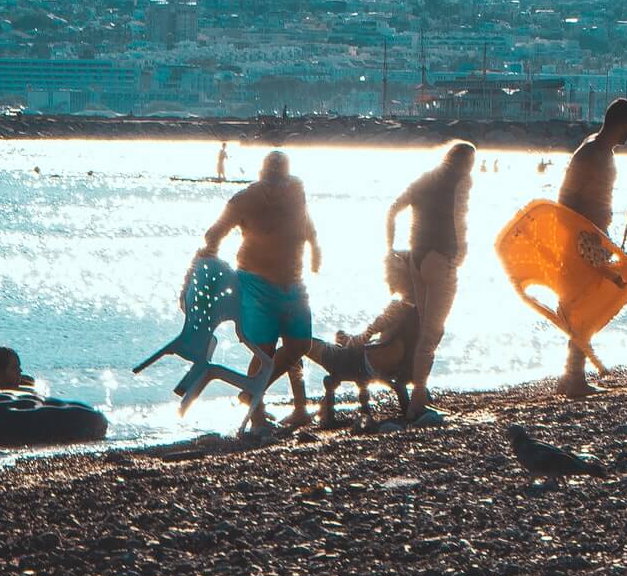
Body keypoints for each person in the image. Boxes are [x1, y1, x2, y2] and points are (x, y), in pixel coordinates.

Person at [198, 149, 322, 433]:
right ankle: (257, 412)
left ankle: (253, 393)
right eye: (270, 182)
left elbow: (307, 224)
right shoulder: (245, 199)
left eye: (280, 181)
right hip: (255, 283)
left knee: (299, 345)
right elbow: (214, 233)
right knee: (265, 350)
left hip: (293, 282)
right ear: (262, 177)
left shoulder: (296, 191)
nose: (275, 188)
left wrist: (315, 248)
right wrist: (209, 258)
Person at [555, 97, 627, 398]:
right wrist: (582, 234)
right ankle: (573, 377)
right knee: (584, 306)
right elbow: (565, 197)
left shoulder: (601, 151)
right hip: (583, 240)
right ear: (617, 123)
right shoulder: (592, 152)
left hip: (596, 237)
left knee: (586, 306)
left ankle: (572, 374)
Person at [384, 140, 475, 420]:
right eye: (471, 161)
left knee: (426, 328)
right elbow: (459, 217)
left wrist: (390, 249)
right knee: (431, 333)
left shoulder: (426, 178)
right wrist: (460, 252)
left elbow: (393, 209)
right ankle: (417, 400)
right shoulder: (461, 180)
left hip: (416, 258)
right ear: (465, 162)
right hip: (440, 258)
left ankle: (418, 391)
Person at [308, 251, 422, 428]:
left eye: (389, 275)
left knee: (305, 344)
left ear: (399, 277)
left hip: (363, 363)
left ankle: (317, 411)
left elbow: (364, 338)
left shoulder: (396, 308)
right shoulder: (419, 310)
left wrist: (347, 341)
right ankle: (322, 408)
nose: (387, 279)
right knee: (334, 343)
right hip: (395, 365)